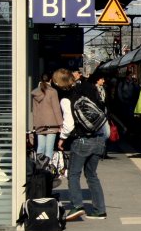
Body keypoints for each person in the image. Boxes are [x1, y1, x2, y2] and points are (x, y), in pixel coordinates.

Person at [58, 69, 108, 220]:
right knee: (92, 175)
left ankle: (77, 206)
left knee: (73, 174)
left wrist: (62, 138)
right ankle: (100, 210)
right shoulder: (89, 88)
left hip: (81, 140)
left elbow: (69, 124)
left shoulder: (66, 99)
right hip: (98, 138)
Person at [30, 73, 63, 159]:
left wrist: (34, 124)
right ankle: (47, 169)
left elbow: (35, 110)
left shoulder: (36, 92)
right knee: (49, 149)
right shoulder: (53, 92)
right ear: (50, 80)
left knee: (40, 147)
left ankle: (39, 167)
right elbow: (56, 109)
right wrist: (60, 124)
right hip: (52, 124)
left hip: (40, 124)